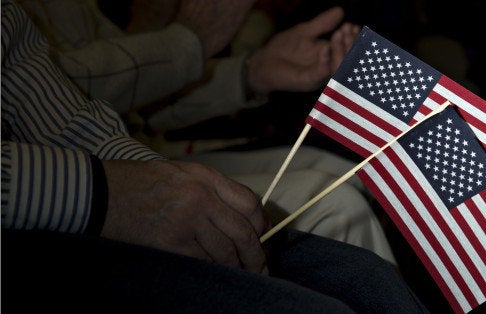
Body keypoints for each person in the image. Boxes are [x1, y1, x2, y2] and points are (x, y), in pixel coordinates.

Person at [1, 1, 428, 312]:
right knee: (335, 203)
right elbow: (93, 79)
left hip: (126, 151)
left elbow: (76, 103)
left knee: (356, 240)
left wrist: (248, 71)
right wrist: (191, 40)